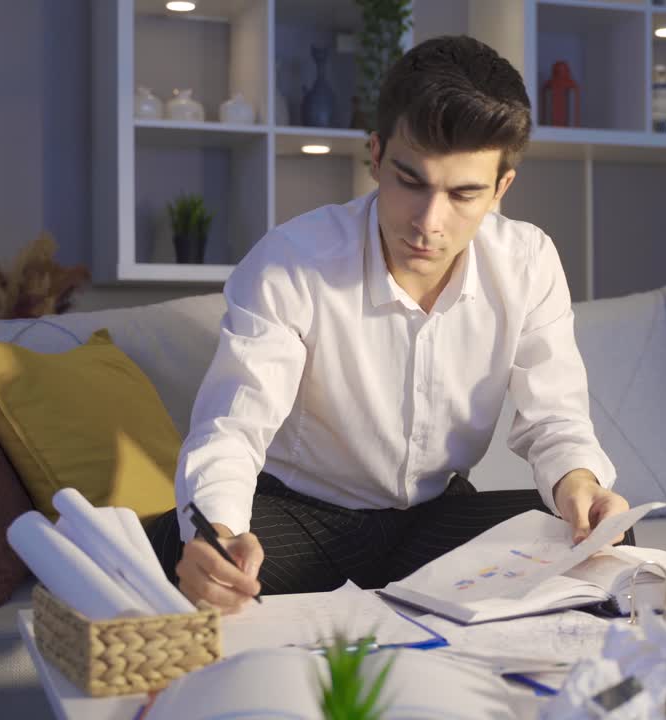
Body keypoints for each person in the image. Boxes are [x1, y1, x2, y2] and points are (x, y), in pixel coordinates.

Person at [147, 35, 630, 613]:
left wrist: (579, 483)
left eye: (464, 194)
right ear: (375, 156)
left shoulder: (528, 261)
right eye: (411, 181)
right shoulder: (292, 261)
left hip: (434, 524)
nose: (429, 222)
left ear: (501, 188)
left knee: (608, 547)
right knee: (180, 559)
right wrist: (218, 535)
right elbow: (232, 428)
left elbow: (555, 417)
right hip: (301, 520)